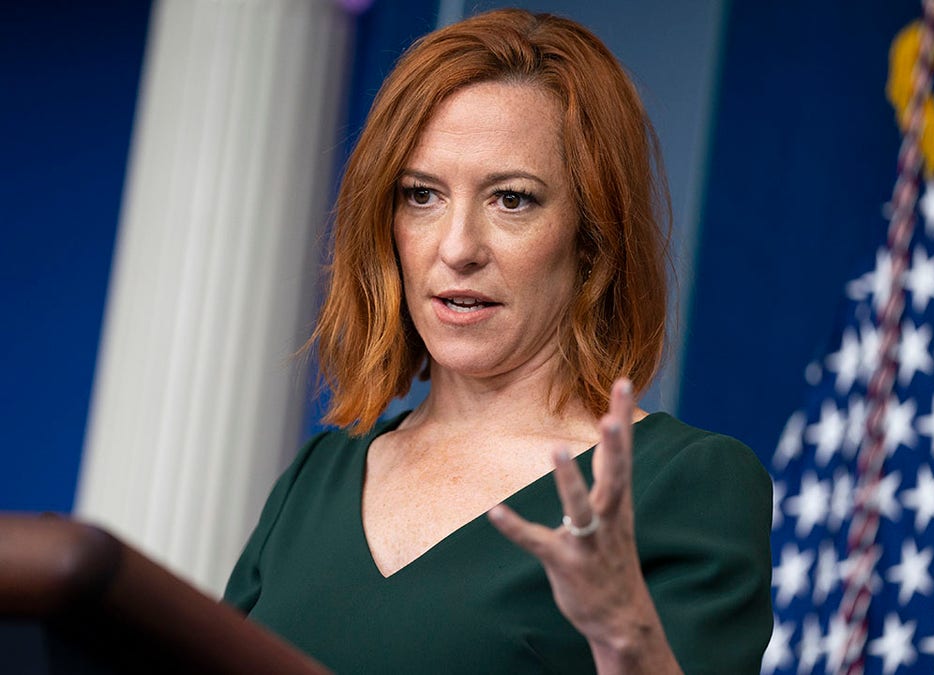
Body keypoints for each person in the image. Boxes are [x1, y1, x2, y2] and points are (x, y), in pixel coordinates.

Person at [224, 9, 772, 674]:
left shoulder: (686, 483)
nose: (457, 248)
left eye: (511, 200)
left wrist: (625, 636)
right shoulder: (318, 476)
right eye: (421, 194)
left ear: (592, 237)